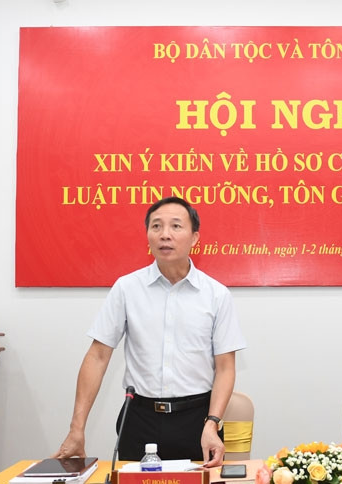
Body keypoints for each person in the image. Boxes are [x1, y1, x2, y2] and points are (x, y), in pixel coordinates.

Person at [55, 197, 246, 467]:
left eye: (176, 226)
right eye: (156, 226)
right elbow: (97, 356)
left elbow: (225, 368)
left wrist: (212, 423)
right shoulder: (127, 288)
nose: (165, 234)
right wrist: (77, 428)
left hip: (198, 421)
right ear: (148, 235)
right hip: (139, 418)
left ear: (194, 238)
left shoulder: (216, 295)